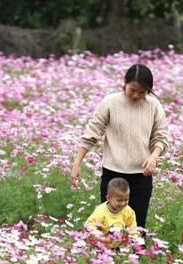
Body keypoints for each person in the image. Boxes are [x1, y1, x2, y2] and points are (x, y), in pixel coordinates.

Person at [71, 63, 169, 229]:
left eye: (142, 92)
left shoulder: (154, 106)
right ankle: (108, 255)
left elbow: (160, 137)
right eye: (132, 90)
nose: (136, 95)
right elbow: (92, 133)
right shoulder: (110, 102)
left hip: (141, 175)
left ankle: (135, 255)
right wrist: (77, 164)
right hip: (113, 174)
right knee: (108, 225)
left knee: (137, 227)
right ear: (124, 84)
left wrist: (154, 156)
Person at [85, 177, 138, 247]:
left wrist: (133, 240)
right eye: (119, 200)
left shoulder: (129, 211)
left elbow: (132, 228)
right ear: (108, 198)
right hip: (103, 246)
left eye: (126, 200)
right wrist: (99, 237)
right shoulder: (101, 211)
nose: (123, 203)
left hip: (120, 248)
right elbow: (90, 225)